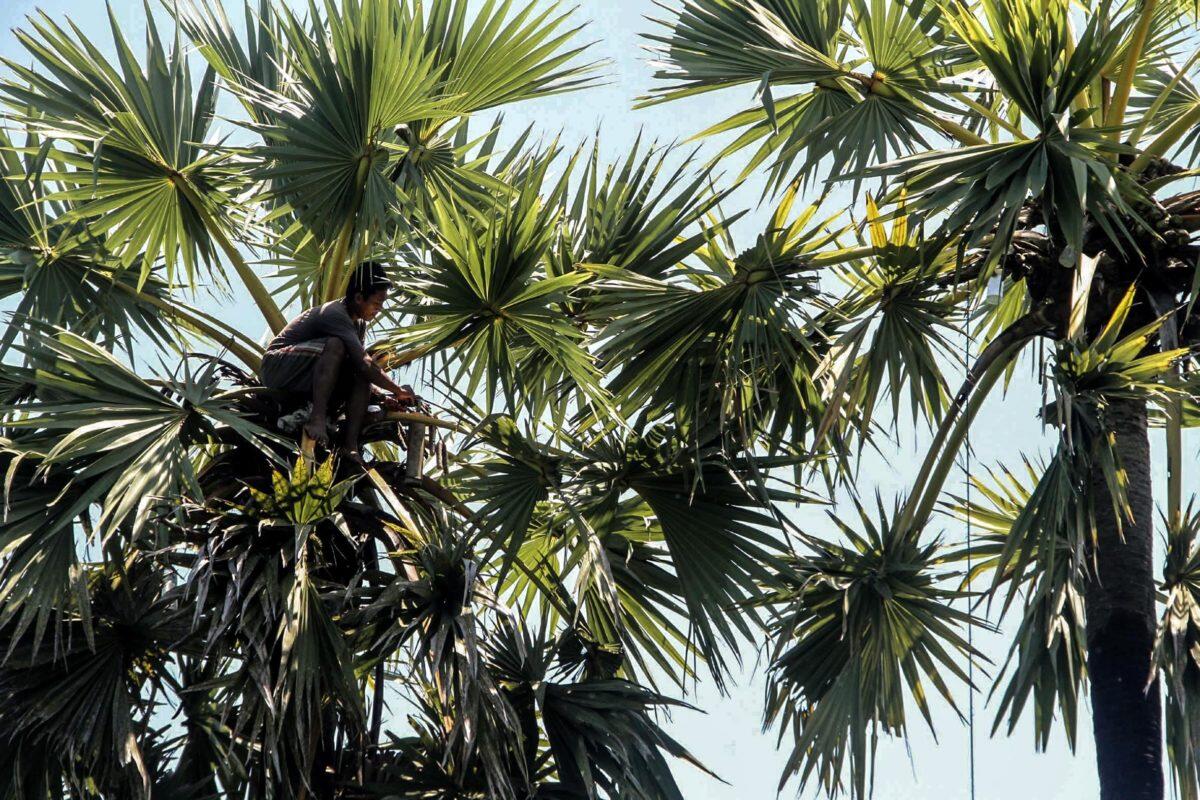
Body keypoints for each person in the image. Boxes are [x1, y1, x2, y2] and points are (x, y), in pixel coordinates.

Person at [260, 261, 416, 463]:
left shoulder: (358, 324)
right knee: (338, 346)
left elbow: (360, 370)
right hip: (277, 368)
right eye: (377, 304)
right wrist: (398, 390)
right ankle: (317, 419)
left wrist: (381, 398)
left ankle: (350, 447)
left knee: (360, 372)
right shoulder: (335, 313)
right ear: (359, 297)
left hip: (306, 377)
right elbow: (364, 362)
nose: (379, 310)